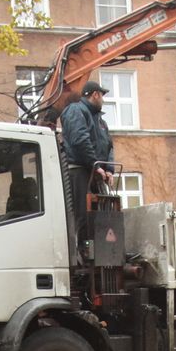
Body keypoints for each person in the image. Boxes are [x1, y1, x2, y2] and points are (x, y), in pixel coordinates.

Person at [60, 81, 115, 246]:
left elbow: (108, 145)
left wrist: (109, 169)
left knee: (100, 214)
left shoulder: (100, 121)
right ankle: (83, 248)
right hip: (80, 170)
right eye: (102, 96)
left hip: (94, 171)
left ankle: (98, 247)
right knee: (82, 214)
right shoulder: (76, 111)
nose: (103, 101)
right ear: (95, 94)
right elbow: (80, 140)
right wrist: (95, 165)